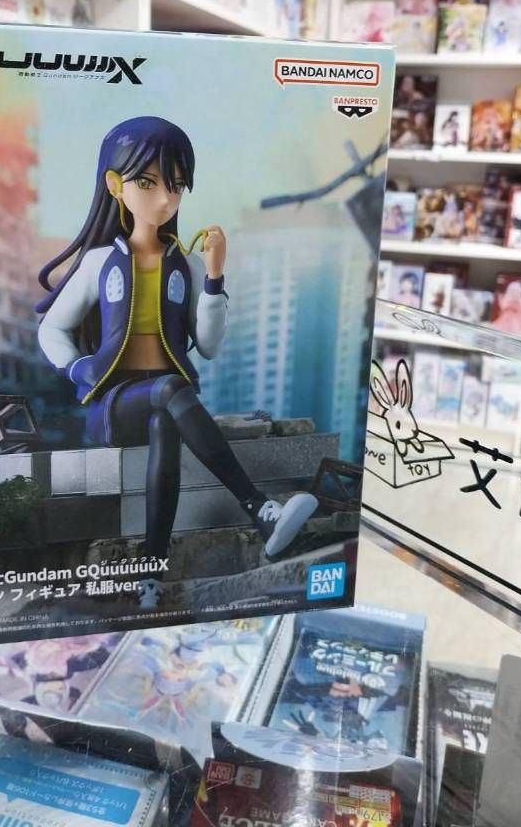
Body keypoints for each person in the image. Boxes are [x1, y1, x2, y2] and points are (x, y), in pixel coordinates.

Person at [37, 117, 317, 609]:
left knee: (165, 421)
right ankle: (259, 508)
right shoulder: (100, 263)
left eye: (177, 185)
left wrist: (214, 277)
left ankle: (150, 573)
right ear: (115, 185)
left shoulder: (183, 266)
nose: (165, 198)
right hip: (113, 404)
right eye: (148, 183)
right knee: (169, 390)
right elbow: (51, 330)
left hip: (164, 403)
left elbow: (206, 345)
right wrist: (77, 369)